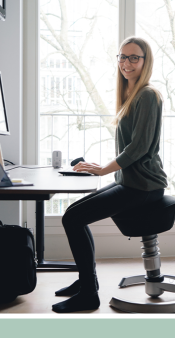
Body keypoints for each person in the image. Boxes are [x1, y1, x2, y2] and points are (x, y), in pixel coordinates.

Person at [52, 36, 168, 313]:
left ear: (145, 61)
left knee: (72, 218)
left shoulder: (148, 95)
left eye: (133, 58)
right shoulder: (131, 95)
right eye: (122, 57)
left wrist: (104, 168)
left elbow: (138, 147)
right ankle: (85, 282)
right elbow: (131, 147)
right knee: (73, 215)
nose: (126, 63)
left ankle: (88, 293)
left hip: (144, 187)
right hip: (130, 182)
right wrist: (100, 167)